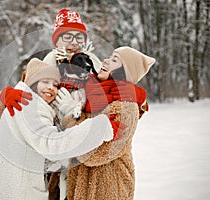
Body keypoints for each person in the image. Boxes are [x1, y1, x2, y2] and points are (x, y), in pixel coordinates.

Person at [0, 58, 117, 200]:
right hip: (19, 192)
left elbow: (38, 150)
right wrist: (99, 127)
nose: (51, 87)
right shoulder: (27, 103)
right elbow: (51, 145)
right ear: (33, 84)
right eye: (45, 81)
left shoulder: (31, 103)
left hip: (13, 187)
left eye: (55, 84)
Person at [62, 46, 156, 200]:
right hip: (82, 185)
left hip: (109, 187)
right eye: (109, 56)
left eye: (114, 60)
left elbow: (97, 153)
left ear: (124, 71)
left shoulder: (126, 105)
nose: (105, 60)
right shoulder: (91, 94)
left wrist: (70, 120)